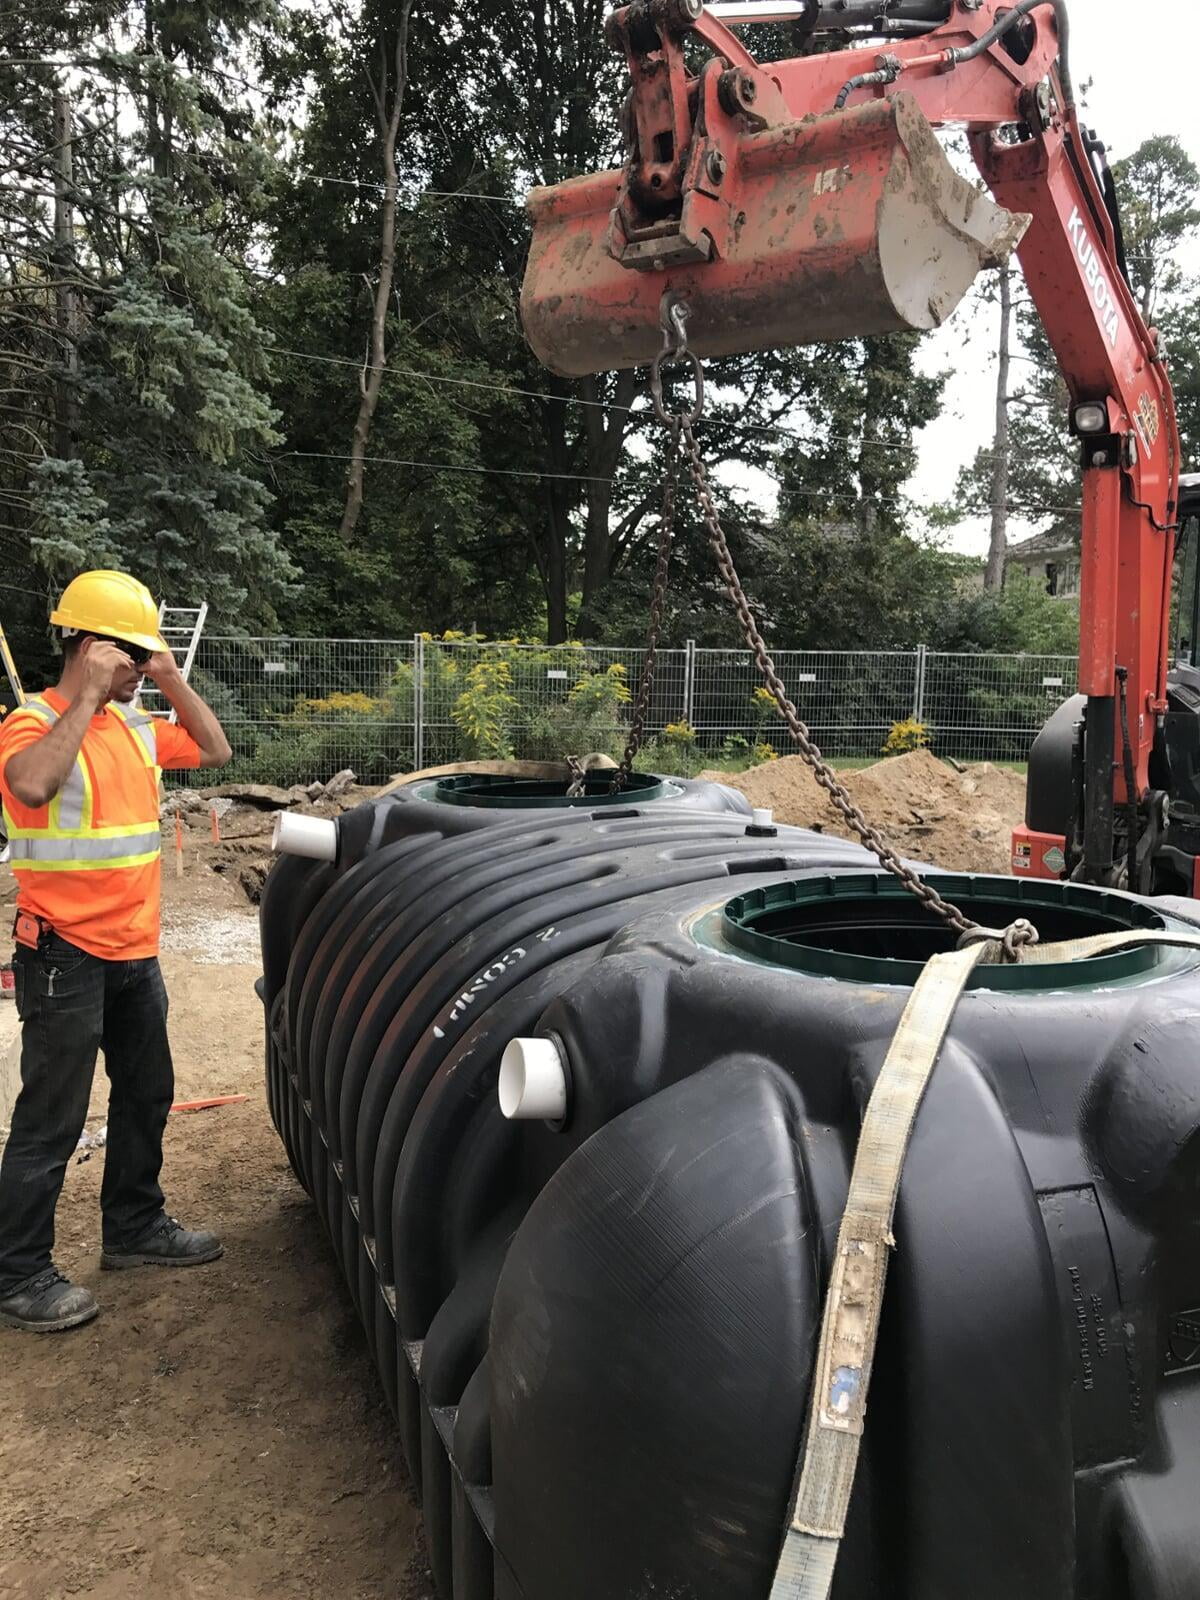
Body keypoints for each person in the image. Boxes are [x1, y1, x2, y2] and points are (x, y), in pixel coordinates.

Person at [0, 571, 233, 1333]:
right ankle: (19, 1272)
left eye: (147, 657)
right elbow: (31, 787)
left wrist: (166, 673)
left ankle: (133, 1228)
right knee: (50, 1120)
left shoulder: (139, 725)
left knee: (146, 1095)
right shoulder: (32, 722)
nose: (142, 668)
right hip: (64, 956)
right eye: (133, 654)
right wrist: (89, 696)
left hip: (135, 954)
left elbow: (216, 748)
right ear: (89, 645)